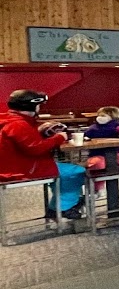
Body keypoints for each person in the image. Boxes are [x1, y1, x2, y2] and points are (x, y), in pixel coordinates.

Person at [0, 90, 85, 220]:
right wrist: (59, 137)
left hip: (13, 166)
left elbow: (25, 142)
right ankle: (64, 207)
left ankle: (58, 204)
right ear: (31, 106)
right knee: (76, 171)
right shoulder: (18, 124)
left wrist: (43, 132)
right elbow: (36, 148)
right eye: (39, 105)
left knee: (65, 171)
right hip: (24, 170)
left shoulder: (9, 120)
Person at [84, 107, 119, 193]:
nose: (100, 117)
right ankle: (97, 188)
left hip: (117, 151)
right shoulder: (93, 128)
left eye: (103, 115)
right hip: (96, 153)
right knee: (98, 165)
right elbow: (88, 134)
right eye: (99, 115)